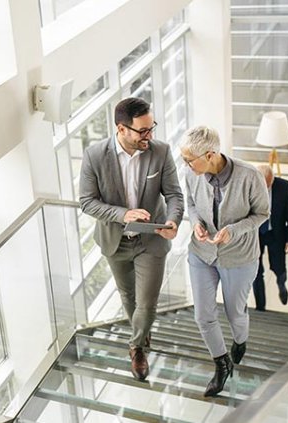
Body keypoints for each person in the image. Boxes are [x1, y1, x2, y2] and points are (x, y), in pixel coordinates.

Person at [79, 97, 184, 381]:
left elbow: (174, 194)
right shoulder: (94, 155)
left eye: (152, 128)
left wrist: (173, 220)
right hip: (116, 240)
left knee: (147, 303)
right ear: (121, 129)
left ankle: (137, 347)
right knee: (128, 296)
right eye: (143, 131)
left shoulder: (160, 152)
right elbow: (87, 202)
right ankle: (142, 333)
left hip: (151, 241)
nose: (149, 135)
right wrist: (123, 214)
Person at [180, 126, 269, 397]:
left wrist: (234, 230)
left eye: (189, 159)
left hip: (239, 257)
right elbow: (192, 204)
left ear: (210, 155)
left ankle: (240, 340)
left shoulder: (250, 176)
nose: (185, 164)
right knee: (202, 315)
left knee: (234, 313)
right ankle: (221, 363)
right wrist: (195, 223)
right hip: (202, 253)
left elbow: (262, 213)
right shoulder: (191, 173)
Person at [252, 165, 288, 310]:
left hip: (275, 232)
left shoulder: (284, 186)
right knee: (256, 270)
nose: (266, 188)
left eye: (269, 184)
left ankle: (281, 284)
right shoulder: (249, 185)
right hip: (255, 234)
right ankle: (260, 307)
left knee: (278, 266)